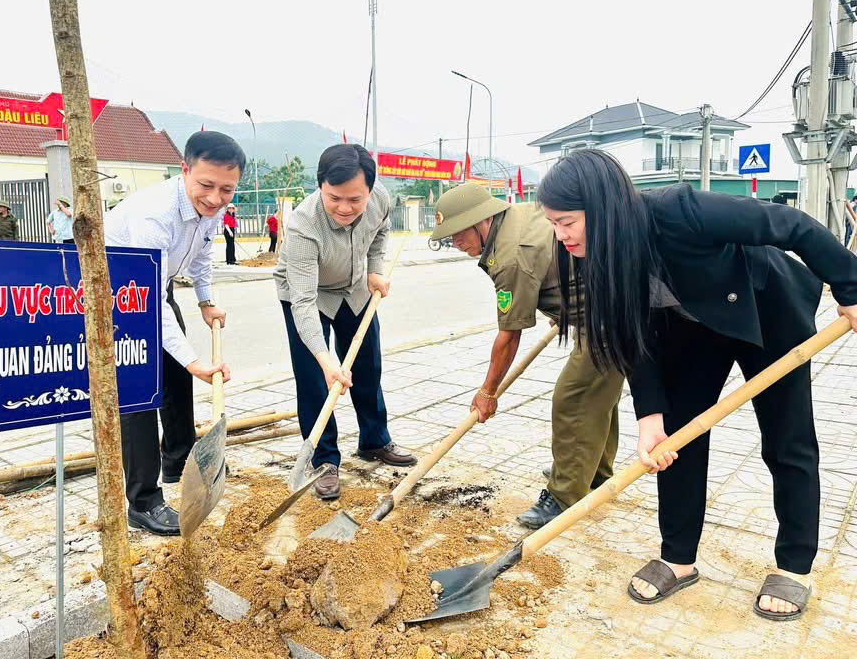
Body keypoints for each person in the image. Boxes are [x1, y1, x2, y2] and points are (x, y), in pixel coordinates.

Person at [536, 148, 857, 621]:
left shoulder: (679, 210)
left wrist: (850, 288)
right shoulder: (593, 253)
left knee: (787, 440)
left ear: (602, 208)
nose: (560, 236)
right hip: (691, 325)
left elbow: (792, 225)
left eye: (567, 222)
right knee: (676, 439)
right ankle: (678, 558)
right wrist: (650, 415)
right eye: (553, 224)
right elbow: (631, 334)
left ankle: (794, 566)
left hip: (764, 308)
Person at [430, 184, 622, 529]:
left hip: (609, 318)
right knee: (596, 395)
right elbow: (553, 267)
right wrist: (560, 305)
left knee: (574, 398)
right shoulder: (515, 217)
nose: (455, 242)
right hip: (602, 304)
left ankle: (564, 495)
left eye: (459, 233)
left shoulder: (510, 255)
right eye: (449, 237)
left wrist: (487, 392)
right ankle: (589, 470)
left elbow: (509, 336)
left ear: (482, 220)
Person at [103, 131, 241, 535]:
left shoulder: (211, 207)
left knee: (178, 376)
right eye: (206, 185)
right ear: (184, 170)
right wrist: (196, 361)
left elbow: (202, 253)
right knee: (139, 393)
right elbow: (146, 303)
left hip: (153, 287)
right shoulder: (155, 214)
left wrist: (205, 300)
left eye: (226, 190)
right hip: (115, 290)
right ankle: (143, 500)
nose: (215, 198)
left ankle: (179, 461)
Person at [273, 143, 416, 501]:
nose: (345, 208)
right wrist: (325, 361)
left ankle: (374, 440)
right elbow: (303, 302)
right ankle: (324, 459)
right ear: (320, 186)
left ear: (370, 189)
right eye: (334, 198)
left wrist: (375, 270)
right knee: (315, 380)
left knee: (368, 365)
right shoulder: (303, 224)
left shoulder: (379, 199)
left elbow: (381, 232)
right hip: (309, 295)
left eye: (355, 199)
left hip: (355, 288)